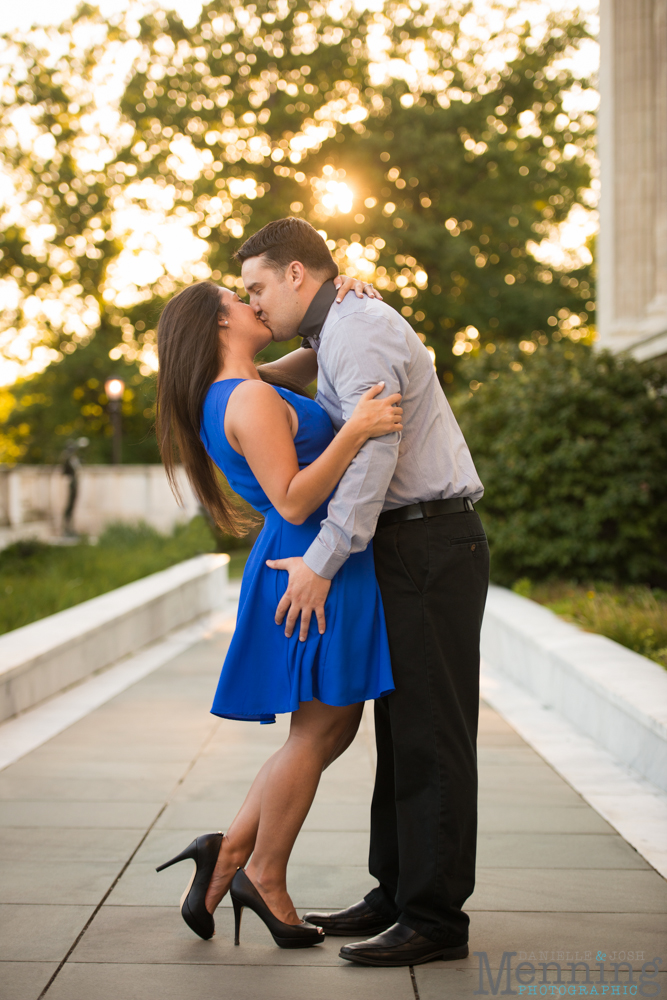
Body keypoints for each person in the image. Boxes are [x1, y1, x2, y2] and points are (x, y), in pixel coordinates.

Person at [236, 218, 489, 968]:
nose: (253, 305)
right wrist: (241, 373)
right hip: (406, 545)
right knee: (399, 728)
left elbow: (373, 460)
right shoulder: (338, 328)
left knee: (432, 734)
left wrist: (321, 558)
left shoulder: (358, 328)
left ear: (295, 275)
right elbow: (310, 370)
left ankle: (435, 918)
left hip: (428, 540)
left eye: (257, 288)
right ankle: (396, 891)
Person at [154, 275, 400, 949]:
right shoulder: (250, 399)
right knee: (318, 733)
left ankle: (227, 853)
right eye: (240, 300)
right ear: (218, 326)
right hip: (308, 559)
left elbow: (321, 348)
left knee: (328, 729)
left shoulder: (239, 387)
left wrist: (343, 294)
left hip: (310, 557)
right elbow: (291, 499)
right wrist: (355, 430)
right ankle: (261, 872)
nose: (253, 302)